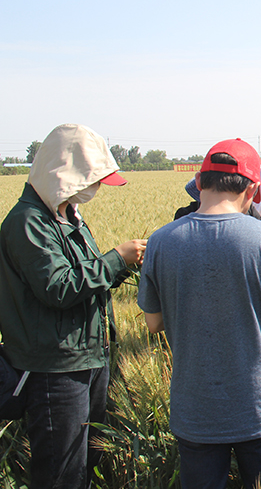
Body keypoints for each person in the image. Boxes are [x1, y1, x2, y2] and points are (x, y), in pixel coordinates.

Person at [138, 138, 261, 489]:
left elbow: (153, 323)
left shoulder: (160, 241)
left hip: (194, 408)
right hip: (259, 406)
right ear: (253, 190)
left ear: (199, 183)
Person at [0, 124, 147, 489]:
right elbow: (60, 288)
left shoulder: (66, 216)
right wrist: (116, 258)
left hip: (87, 358)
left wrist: (125, 264)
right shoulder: (29, 223)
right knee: (61, 472)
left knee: (85, 462)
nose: (94, 189)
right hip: (55, 367)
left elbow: (86, 281)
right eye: (91, 179)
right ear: (65, 172)